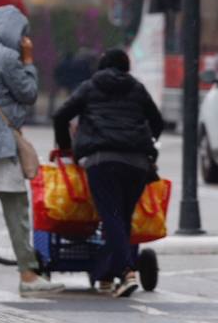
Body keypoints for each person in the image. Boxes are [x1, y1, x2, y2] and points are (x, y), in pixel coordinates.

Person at [53, 48, 164, 298]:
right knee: (122, 218)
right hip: (137, 163)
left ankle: (126, 271)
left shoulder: (89, 87)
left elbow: (61, 116)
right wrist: (146, 141)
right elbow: (157, 121)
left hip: (102, 161)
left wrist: (65, 149)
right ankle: (106, 273)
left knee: (112, 217)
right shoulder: (137, 88)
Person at [0, 6, 64, 296]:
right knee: (17, 207)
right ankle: (28, 275)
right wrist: (29, 61)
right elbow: (28, 93)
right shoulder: (8, 57)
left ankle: (28, 270)